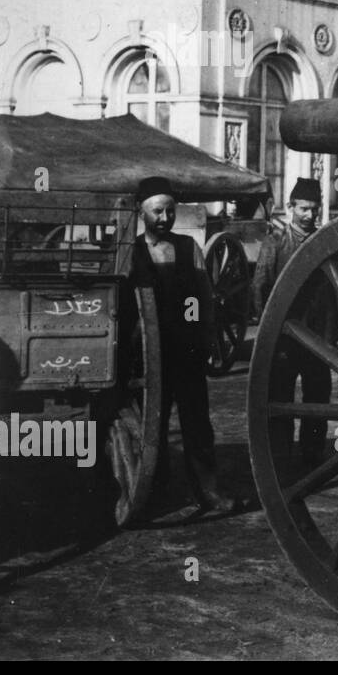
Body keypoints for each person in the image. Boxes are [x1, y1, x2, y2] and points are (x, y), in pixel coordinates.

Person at [126, 176, 235, 514]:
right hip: (148, 356)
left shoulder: (189, 248)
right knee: (152, 427)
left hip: (186, 352)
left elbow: (201, 298)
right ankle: (153, 495)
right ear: (142, 213)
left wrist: (203, 337)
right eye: (157, 211)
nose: (164, 218)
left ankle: (208, 492)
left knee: (197, 425)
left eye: (170, 211)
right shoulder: (131, 253)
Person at [252, 178, 338, 467]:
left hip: (318, 333)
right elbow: (260, 285)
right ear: (290, 207)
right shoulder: (275, 242)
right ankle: (280, 456)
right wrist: (269, 327)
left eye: (314, 210)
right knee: (282, 397)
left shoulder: (326, 240)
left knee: (318, 396)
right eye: (303, 208)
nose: (309, 215)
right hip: (285, 335)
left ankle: (312, 454)